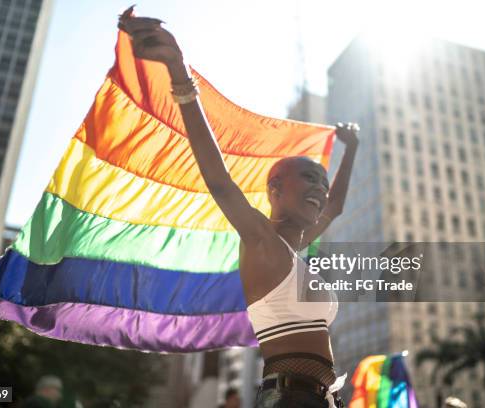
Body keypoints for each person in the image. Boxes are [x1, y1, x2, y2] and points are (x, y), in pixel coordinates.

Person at [118, 7, 359, 408]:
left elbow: (334, 207)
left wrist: (352, 149)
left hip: (318, 399)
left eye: (322, 179)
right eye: (310, 178)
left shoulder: (292, 251)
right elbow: (220, 183)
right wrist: (180, 75)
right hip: (290, 399)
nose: (320, 187)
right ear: (276, 188)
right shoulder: (263, 242)